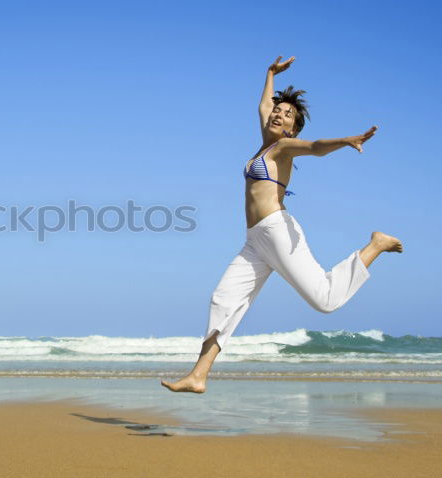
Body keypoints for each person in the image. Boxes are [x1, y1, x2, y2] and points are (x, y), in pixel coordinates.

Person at [161, 55, 403, 394]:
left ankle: (375, 244)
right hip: (254, 240)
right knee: (223, 300)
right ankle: (199, 375)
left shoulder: (283, 148)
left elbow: (316, 148)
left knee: (325, 300)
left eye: (287, 114)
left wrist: (346, 141)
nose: (278, 114)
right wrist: (270, 74)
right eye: (278, 110)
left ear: (292, 128)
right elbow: (262, 105)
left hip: (277, 232)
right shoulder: (264, 143)